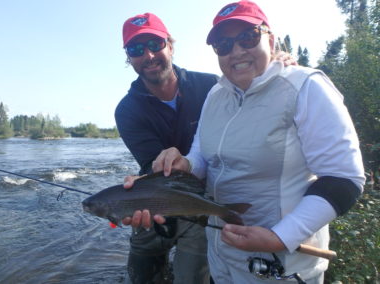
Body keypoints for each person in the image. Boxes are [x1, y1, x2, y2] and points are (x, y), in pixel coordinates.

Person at [149, 1, 366, 283]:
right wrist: (184, 164)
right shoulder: (216, 95)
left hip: (280, 264)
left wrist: (280, 236)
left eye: (248, 37)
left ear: (271, 39)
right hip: (221, 253)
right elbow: (203, 157)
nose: (236, 51)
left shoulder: (306, 86)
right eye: (223, 45)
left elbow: (344, 178)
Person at [115, 12, 219, 284]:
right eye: (137, 49)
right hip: (152, 200)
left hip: (202, 200)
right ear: (129, 58)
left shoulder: (212, 87)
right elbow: (152, 164)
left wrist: (279, 64)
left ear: (170, 46)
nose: (148, 55)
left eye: (155, 44)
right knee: (141, 276)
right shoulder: (127, 110)